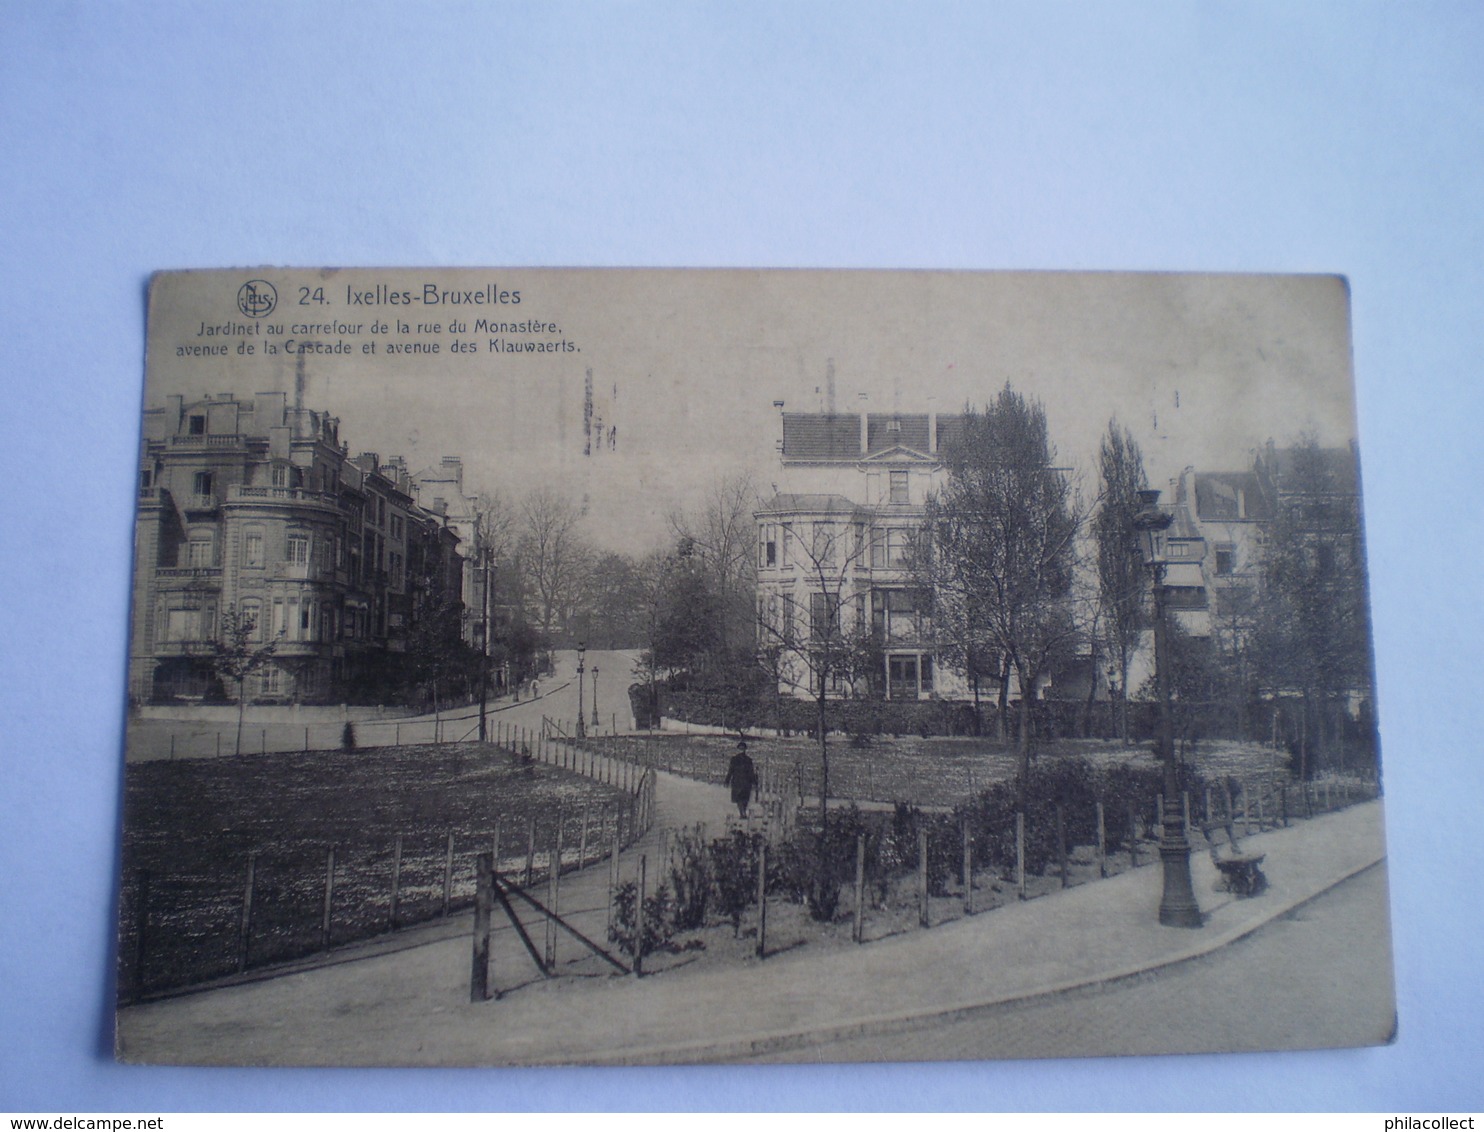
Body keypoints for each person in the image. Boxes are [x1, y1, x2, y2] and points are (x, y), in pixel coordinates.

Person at [724, 740, 757, 818]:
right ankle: (742, 813)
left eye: (743, 749)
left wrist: (754, 782)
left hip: (746, 782)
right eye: (740, 749)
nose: (741, 750)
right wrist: (727, 780)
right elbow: (730, 771)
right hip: (737, 782)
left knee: (745, 799)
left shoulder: (749, 760)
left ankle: (743, 811)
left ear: (745, 750)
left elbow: (751, 772)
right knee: (739, 799)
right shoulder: (734, 759)